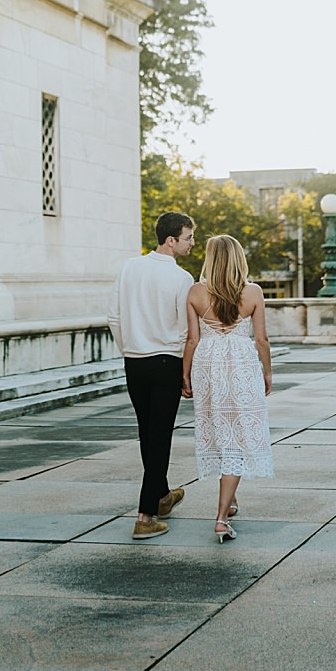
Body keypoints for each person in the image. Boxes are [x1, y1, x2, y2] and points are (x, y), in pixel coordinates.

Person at [108, 211, 196, 539]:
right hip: (165, 363)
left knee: (148, 432)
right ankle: (145, 517)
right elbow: (188, 332)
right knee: (159, 437)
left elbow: (113, 316)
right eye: (188, 237)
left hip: (134, 361)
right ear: (171, 240)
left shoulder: (129, 267)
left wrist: (129, 346)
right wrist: (186, 373)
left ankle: (162, 495)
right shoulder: (182, 279)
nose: (192, 243)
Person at [182, 233, 274, 543]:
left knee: (221, 431)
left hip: (208, 367)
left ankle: (230, 501)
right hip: (241, 365)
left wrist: (185, 375)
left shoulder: (195, 292)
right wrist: (268, 372)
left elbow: (192, 340)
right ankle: (221, 517)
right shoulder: (253, 292)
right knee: (237, 435)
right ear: (238, 259)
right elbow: (261, 339)